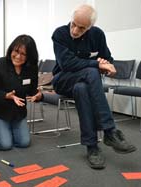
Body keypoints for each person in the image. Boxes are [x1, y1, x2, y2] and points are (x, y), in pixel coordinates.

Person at [51, 4, 136, 169]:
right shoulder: (60, 34)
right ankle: (110, 131)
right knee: (91, 71)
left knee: (82, 88)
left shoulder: (97, 35)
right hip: (62, 79)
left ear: (90, 27)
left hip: (84, 82)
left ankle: (92, 147)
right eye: (73, 24)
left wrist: (107, 65)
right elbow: (67, 63)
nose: (75, 30)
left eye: (81, 28)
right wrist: (97, 64)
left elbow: (107, 58)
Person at [0, 34, 42, 150]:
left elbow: (31, 90)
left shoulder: (32, 68)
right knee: (5, 145)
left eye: (23, 54)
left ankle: (6, 128)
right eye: (16, 51)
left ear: (29, 56)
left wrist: (37, 95)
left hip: (18, 112)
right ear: (11, 49)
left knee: (23, 143)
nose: (18, 56)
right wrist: (6, 95)